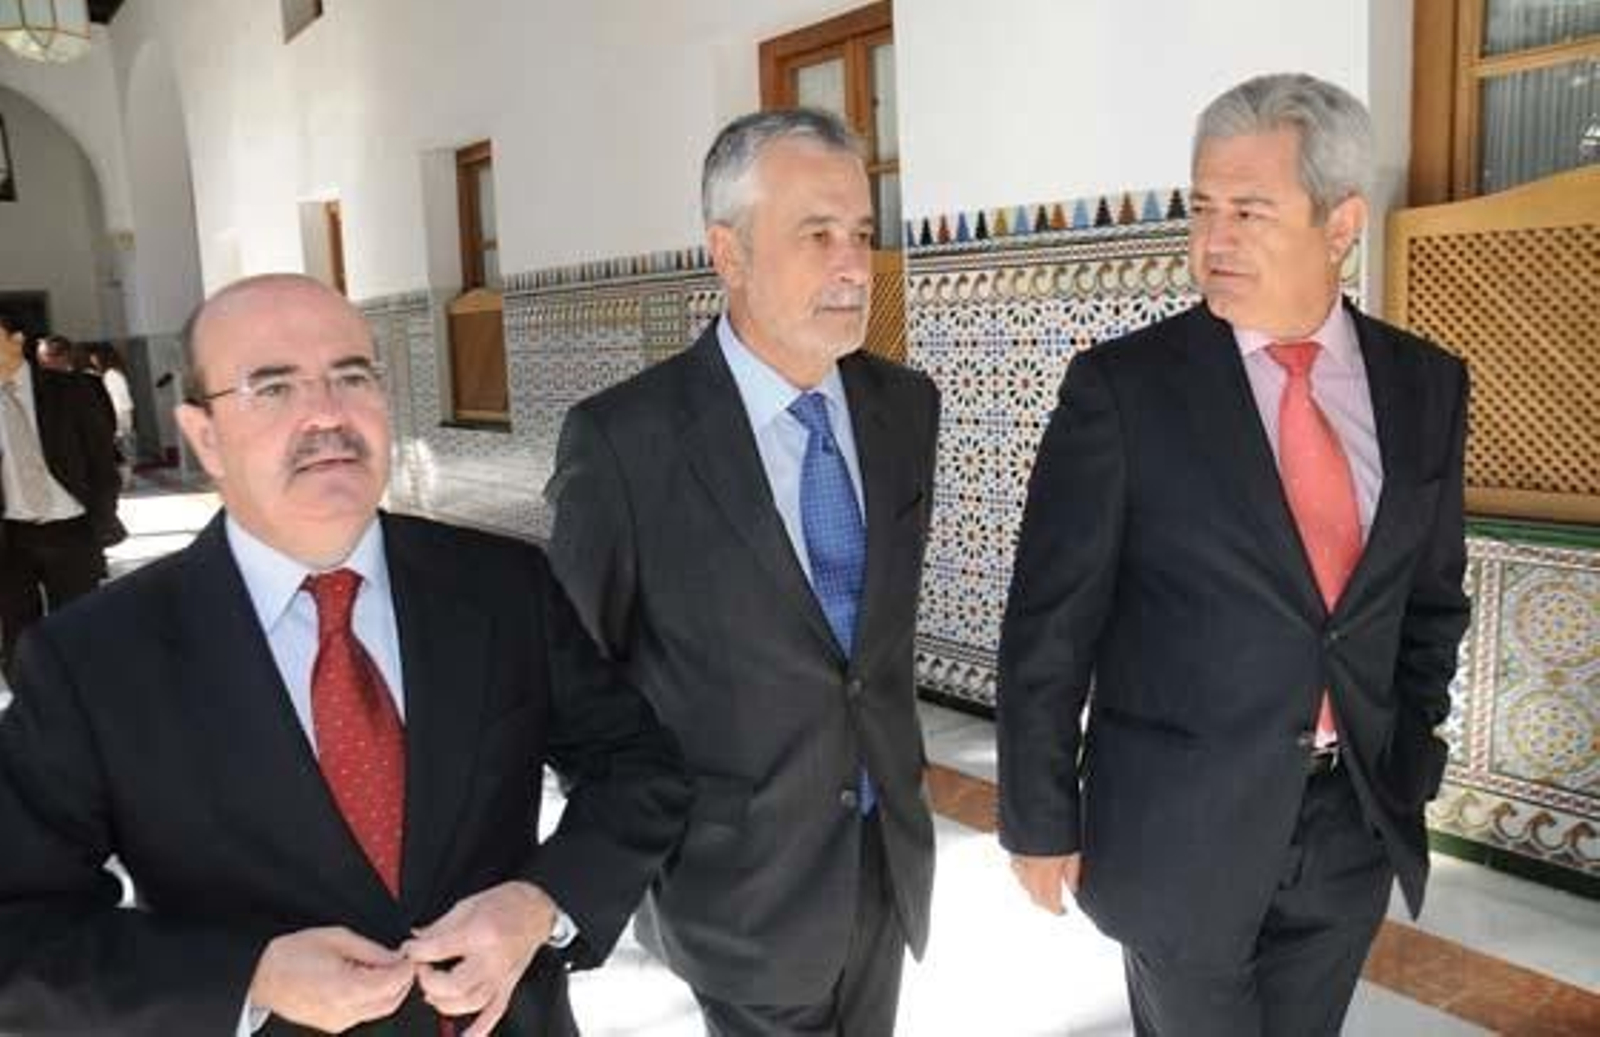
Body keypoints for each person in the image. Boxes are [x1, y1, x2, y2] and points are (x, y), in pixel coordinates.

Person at [0, 274, 691, 1036]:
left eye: (351, 376)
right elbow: (21, 929)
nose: (327, 413)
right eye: (273, 387)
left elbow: (636, 764)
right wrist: (248, 977)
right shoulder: (93, 658)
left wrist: (541, 903)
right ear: (202, 435)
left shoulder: (502, 586)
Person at [997, 73, 1470, 1036]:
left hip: (1351, 825)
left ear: (1341, 224)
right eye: (1203, 207)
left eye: (1251, 210)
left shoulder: (1423, 386)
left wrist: (1409, 758)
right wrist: (1038, 817)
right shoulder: (1124, 390)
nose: (1214, 240)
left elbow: (1430, 600)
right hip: (1179, 829)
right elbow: (1050, 621)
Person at [546, 108, 940, 1035]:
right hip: (735, 884)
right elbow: (572, 687)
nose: (853, 264)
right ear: (728, 253)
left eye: (862, 235)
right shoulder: (626, 442)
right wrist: (646, 839)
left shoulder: (904, 407)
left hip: (885, 859)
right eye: (817, 235)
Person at [0, 315, 123, 680]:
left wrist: (101, 514)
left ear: (16, 340)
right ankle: (36, 714)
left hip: (72, 530)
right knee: (17, 638)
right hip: (10, 538)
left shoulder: (72, 390)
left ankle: (89, 707)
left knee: (80, 629)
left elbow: (102, 460)